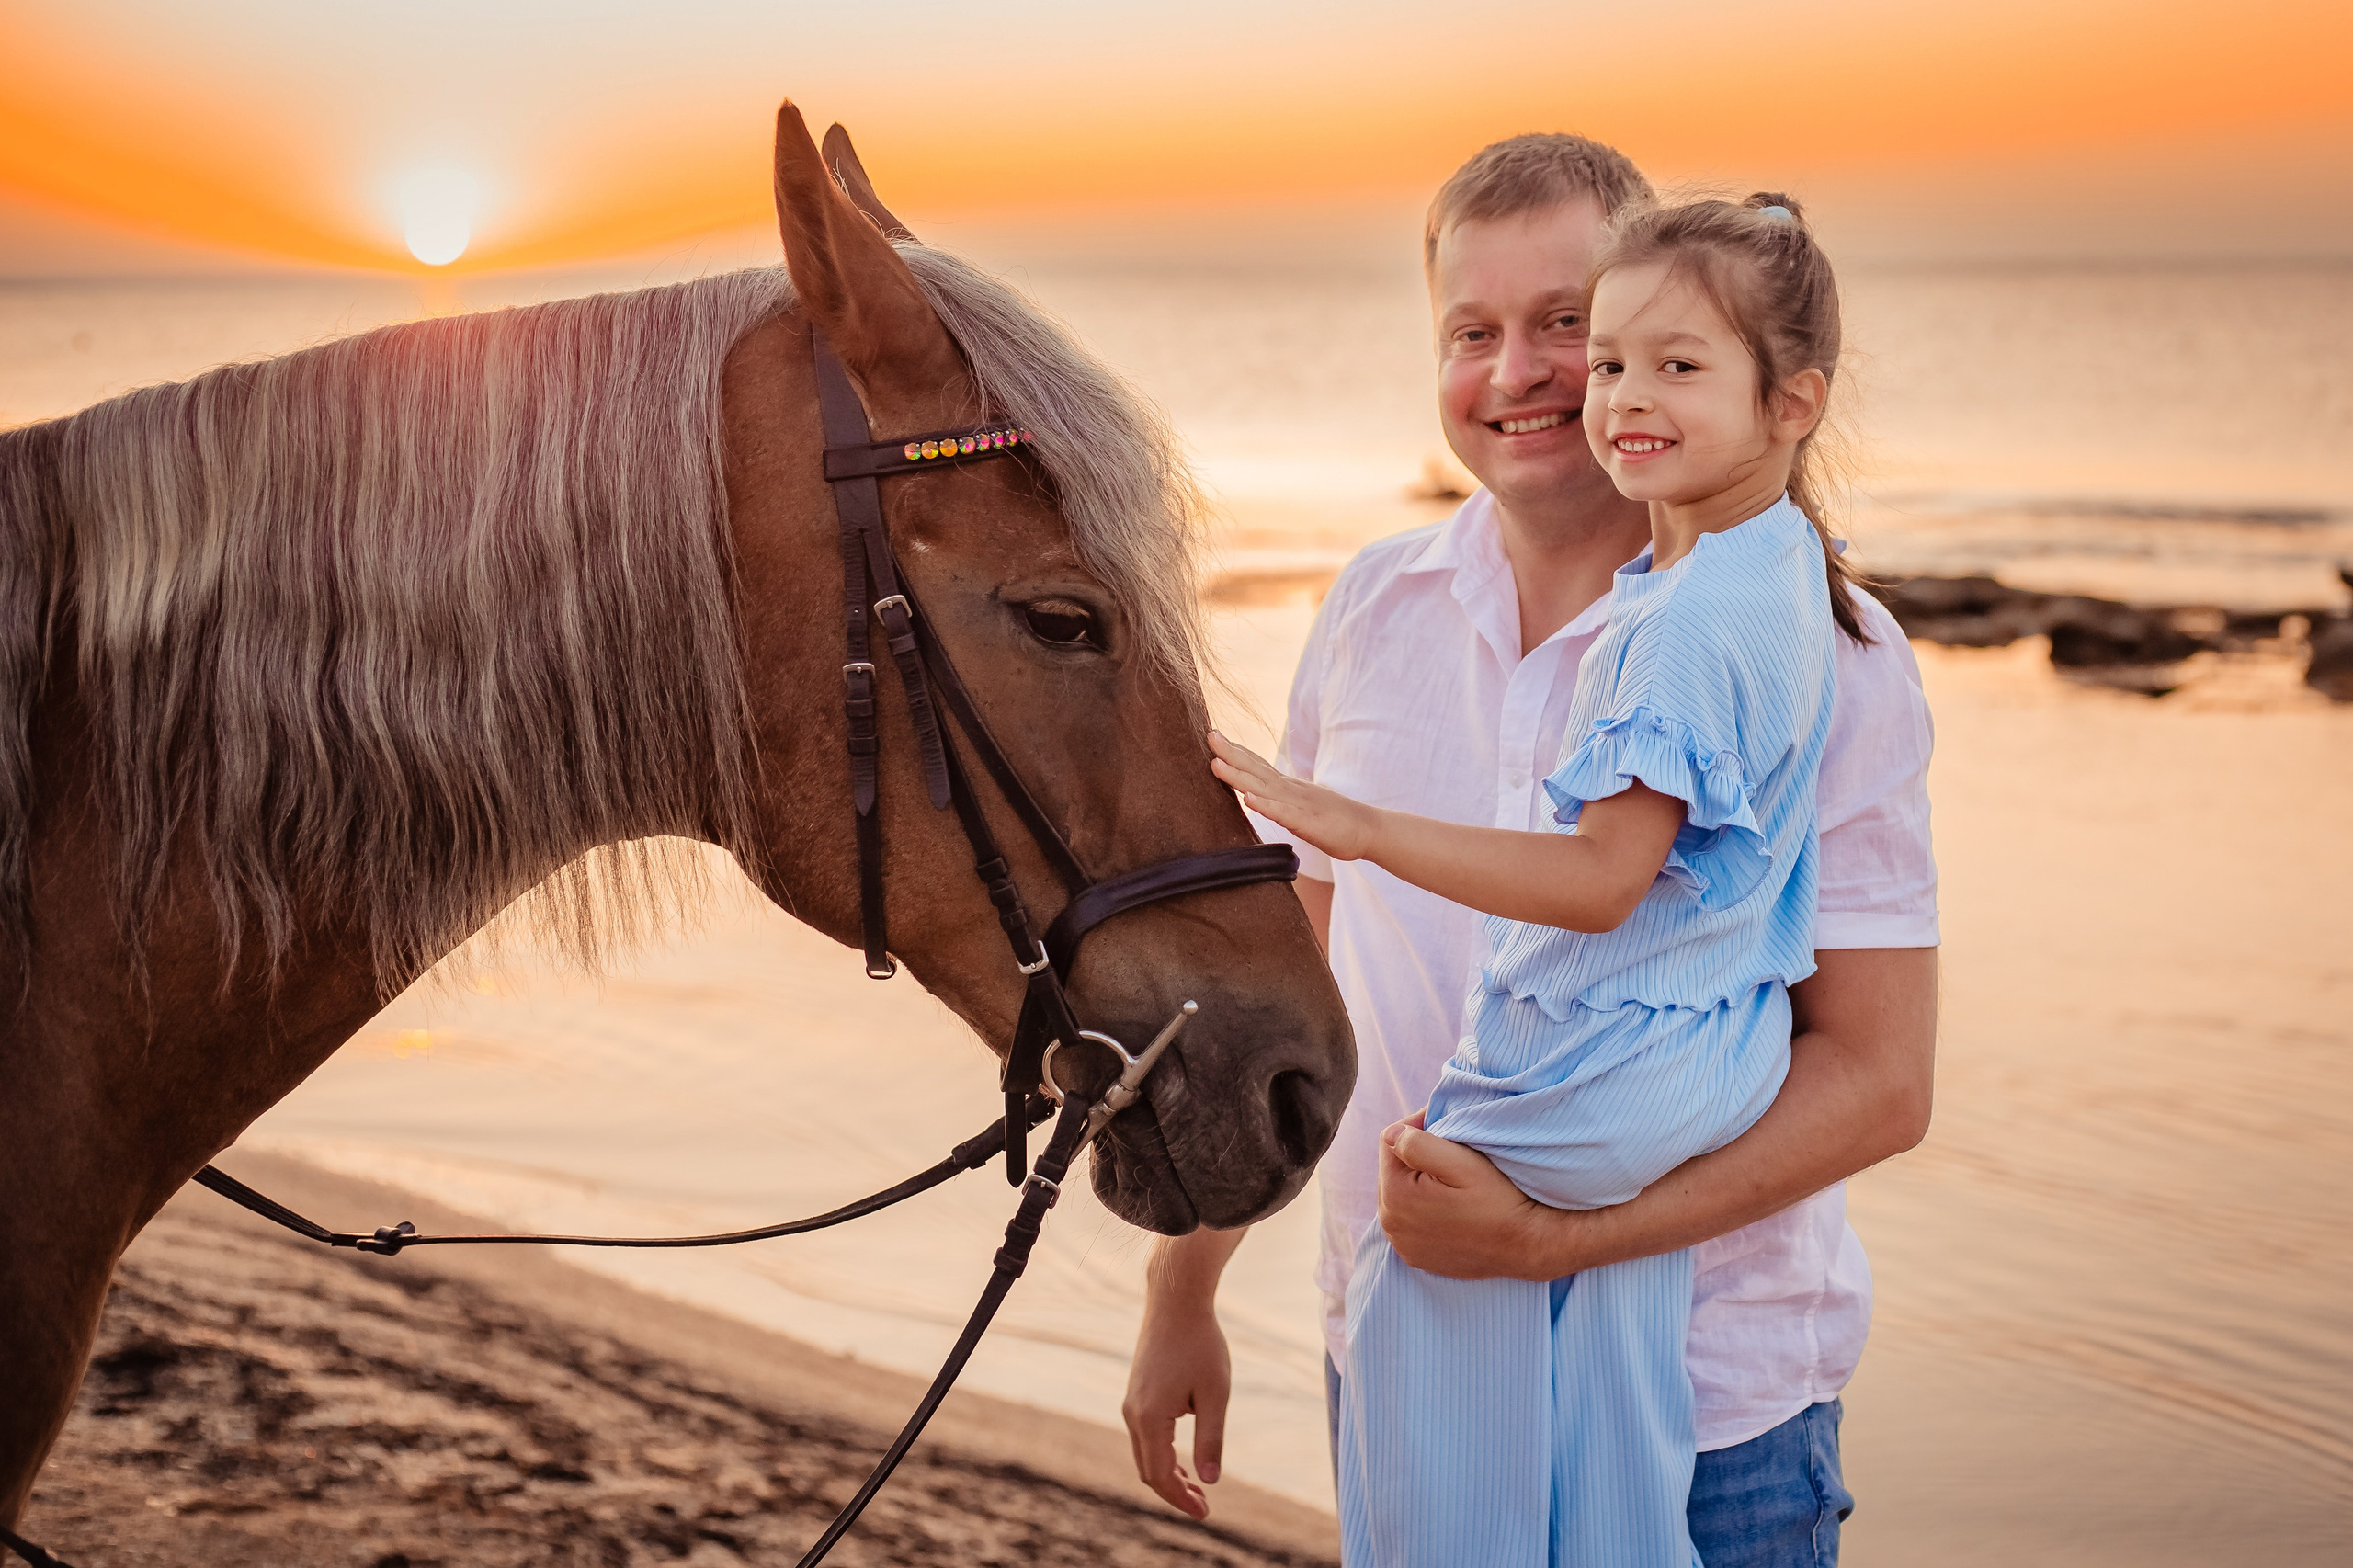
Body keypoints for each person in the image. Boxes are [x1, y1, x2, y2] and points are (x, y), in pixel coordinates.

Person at [1122, 136, 1938, 1568]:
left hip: (1713, 1412)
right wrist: (1181, 1291)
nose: (1529, 373)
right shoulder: (1376, 604)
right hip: (1403, 1346)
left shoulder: (1821, 653)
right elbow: (1288, 977)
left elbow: (1878, 1081)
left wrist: (1552, 1242)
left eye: (1571, 323)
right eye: (1472, 331)